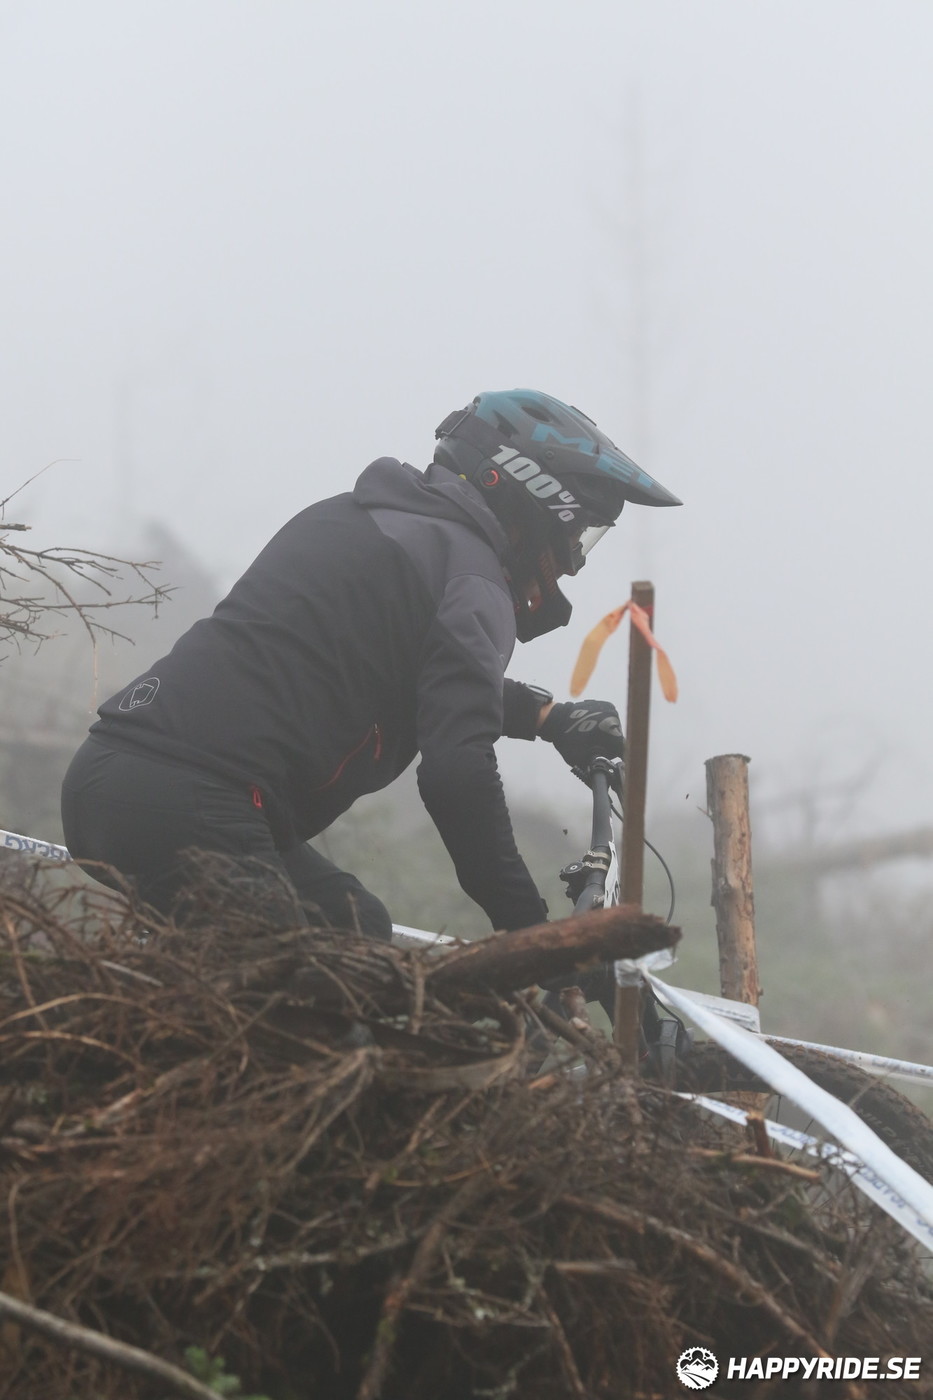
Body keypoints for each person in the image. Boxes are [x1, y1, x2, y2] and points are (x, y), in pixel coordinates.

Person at [61, 389, 680, 938]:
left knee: (354, 924)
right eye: (577, 536)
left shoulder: (363, 517)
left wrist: (546, 717)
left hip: (112, 780)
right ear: (533, 497)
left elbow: (413, 672)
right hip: (198, 802)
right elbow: (456, 773)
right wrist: (533, 933)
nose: (571, 560)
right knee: (336, 1011)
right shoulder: (472, 576)